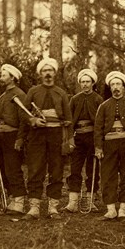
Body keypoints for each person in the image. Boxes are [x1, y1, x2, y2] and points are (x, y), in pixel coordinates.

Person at [20, 58, 73, 220]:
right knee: (35, 169)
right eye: (44, 71)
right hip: (37, 136)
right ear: (40, 74)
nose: (48, 74)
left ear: (55, 73)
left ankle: (53, 208)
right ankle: (34, 208)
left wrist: (70, 140)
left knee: (56, 171)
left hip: (57, 135)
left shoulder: (61, 93)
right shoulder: (33, 92)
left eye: (50, 70)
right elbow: (23, 113)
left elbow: (69, 118)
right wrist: (33, 121)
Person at [94, 71, 125, 221]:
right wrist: (98, 147)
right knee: (108, 175)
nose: (116, 87)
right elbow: (98, 129)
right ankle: (110, 210)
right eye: (113, 84)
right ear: (110, 87)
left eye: (118, 84)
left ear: (123, 87)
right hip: (109, 144)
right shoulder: (103, 106)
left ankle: (122, 209)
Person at [64, 68, 103, 213]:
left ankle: (90, 200)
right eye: (83, 82)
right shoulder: (74, 99)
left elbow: (102, 122)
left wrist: (99, 143)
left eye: (88, 82)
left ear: (93, 83)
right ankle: (72, 202)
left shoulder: (98, 99)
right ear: (80, 83)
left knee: (93, 170)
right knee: (75, 169)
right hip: (78, 138)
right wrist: (70, 139)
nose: (85, 84)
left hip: (93, 138)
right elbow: (68, 121)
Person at [0, 64, 27, 214]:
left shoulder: (19, 95)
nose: (1, 78)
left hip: (12, 137)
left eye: (4, 75)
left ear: (12, 78)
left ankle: (19, 202)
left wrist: (20, 140)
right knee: (4, 169)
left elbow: (24, 120)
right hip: (0, 137)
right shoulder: (2, 96)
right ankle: (12, 199)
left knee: (13, 169)